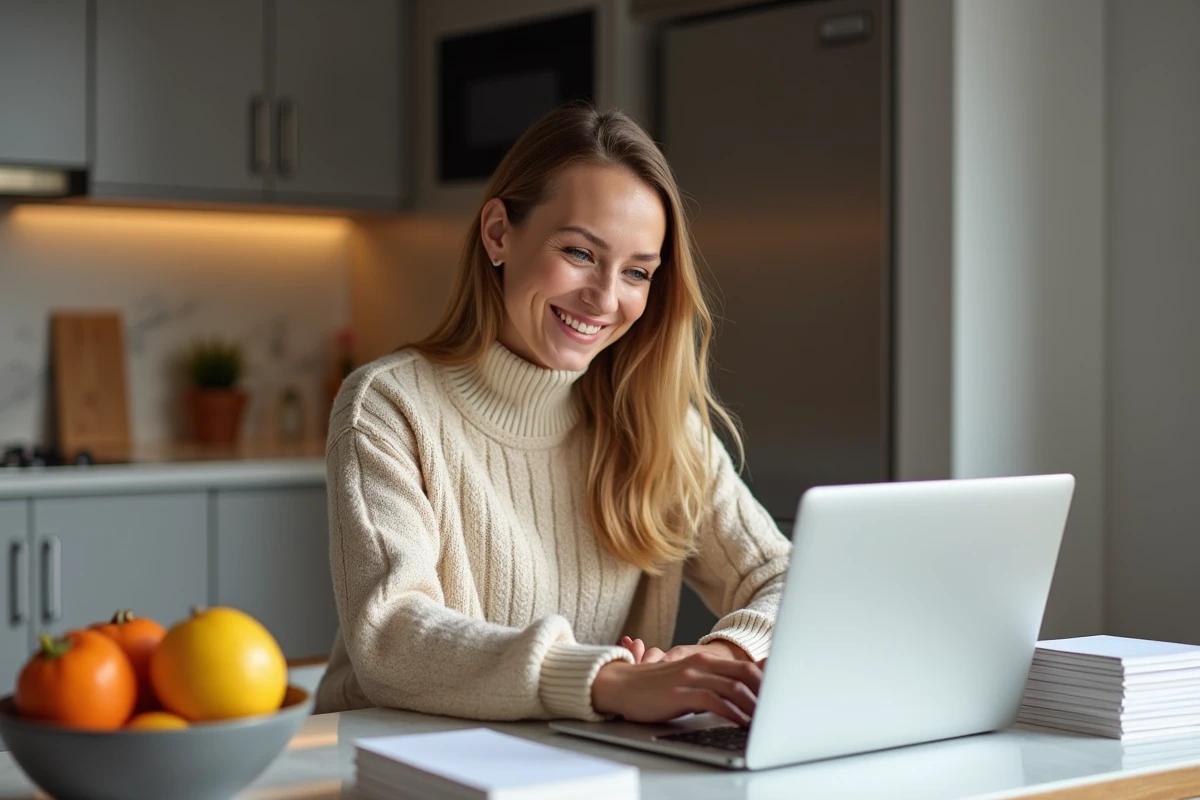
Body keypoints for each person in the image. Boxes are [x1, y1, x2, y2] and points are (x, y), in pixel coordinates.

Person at [315, 103, 792, 727]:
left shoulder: (658, 423)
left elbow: (783, 575)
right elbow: (392, 637)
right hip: (399, 761)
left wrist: (721, 658)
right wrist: (607, 680)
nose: (604, 298)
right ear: (497, 234)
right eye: (578, 252)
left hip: (580, 764)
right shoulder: (389, 406)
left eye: (637, 272)